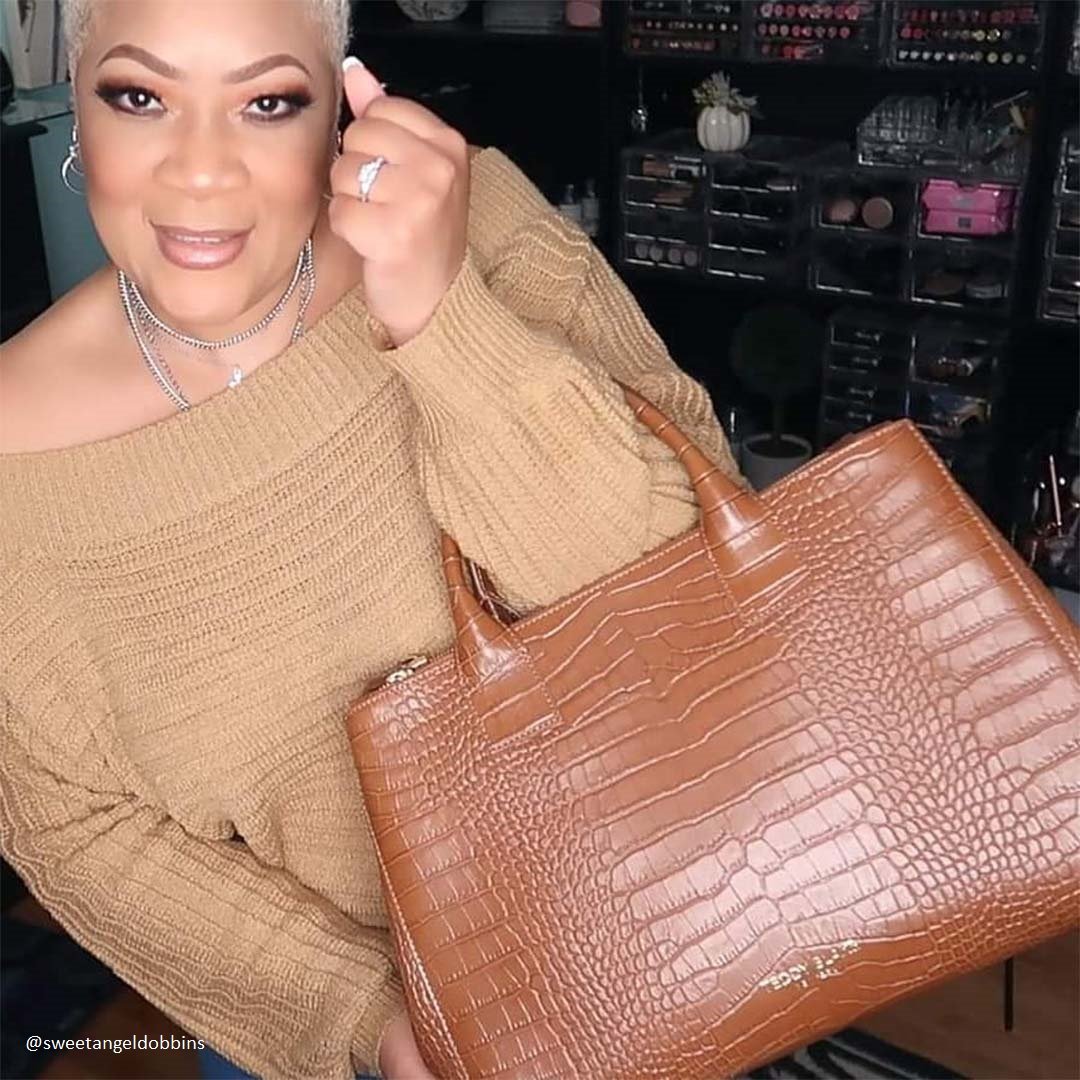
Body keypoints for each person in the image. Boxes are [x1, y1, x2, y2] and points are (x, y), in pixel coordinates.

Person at [0, 1, 748, 1077]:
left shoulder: (476, 219)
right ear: (75, 109)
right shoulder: (14, 466)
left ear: (336, 107)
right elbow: (74, 831)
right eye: (139, 96)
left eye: (267, 102)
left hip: (696, 909)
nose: (201, 171)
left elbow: (679, 585)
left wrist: (440, 313)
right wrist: (370, 1012)